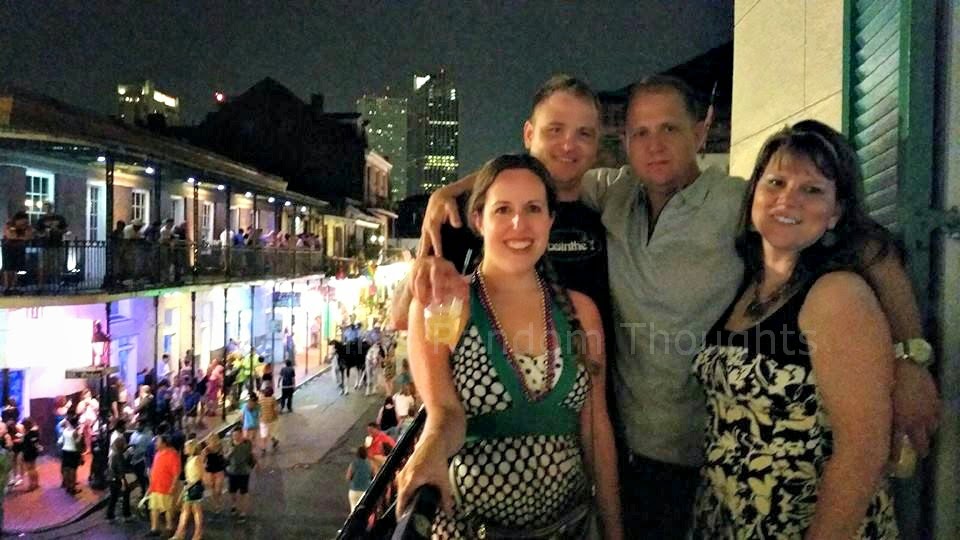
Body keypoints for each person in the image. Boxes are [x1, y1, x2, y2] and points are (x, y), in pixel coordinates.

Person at [415, 75, 940, 538]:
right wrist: (450, 193)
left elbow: (870, 247)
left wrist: (910, 356)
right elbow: (537, 178)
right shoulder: (613, 193)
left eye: (669, 128)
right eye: (640, 132)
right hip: (641, 454)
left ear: (702, 128)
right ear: (624, 142)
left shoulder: (744, 201)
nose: (655, 145)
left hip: (704, 450)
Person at [396, 154, 623, 539]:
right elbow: (445, 412)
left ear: (550, 219)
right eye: (503, 209)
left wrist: (613, 530)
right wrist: (429, 448)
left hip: (571, 529)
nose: (519, 224)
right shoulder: (445, 304)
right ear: (478, 220)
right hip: (470, 531)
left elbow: (595, 429)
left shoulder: (580, 312)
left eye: (533, 208)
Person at [692, 121, 899, 537]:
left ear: (836, 213)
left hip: (803, 524)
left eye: (812, 190)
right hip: (728, 517)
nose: (787, 199)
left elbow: (863, 451)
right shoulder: (748, 285)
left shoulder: (837, 295)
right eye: (776, 182)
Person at [148, 434, 181, 536]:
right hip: (155, 487)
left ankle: (169, 528)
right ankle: (154, 529)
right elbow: (154, 469)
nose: (155, 443)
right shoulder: (158, 454)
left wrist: (173, 486)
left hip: (165, 487)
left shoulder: (172, 455)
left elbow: (176, 473)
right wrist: (150, 485)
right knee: (154, 508)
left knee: (168, 508)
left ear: (164, 443)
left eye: (157, 441)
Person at [172, 439, 205, 540]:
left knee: (196, 512)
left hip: (195, 487)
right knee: (185, 511)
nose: (184, 449)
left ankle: (197, 534)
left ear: (191, 448)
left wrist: (189, 485)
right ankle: (180, 533)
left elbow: (199, 475)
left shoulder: (197, 459)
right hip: (189, 486)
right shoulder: (189, 458)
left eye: (186, 447)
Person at [226, 427, 256, 521]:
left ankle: (243, 512)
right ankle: (234, 505)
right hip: (232, 472)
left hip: (244, 472)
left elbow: (251, 455)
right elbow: (225, 458)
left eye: (237, 435)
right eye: (234, 435)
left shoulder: (247, 444)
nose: (235, 437)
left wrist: (254, 465)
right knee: (232, 492)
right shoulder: (230, 444)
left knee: (244, 492)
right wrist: (230, 452)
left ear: (241, 434)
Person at [2, 211, 34, 293]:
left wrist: (18, 237)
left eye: (25, 222)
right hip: (8, 248)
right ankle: (7, 287)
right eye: (22, 222)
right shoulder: (10, 224)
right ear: (17, 220)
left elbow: (29, 236)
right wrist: (22, 237)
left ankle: (14, 286)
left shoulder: (27, 226)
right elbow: (10, 235)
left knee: (18, 268)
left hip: (20, 248)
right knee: (8, 268)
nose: (24, 224)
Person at [106, 437, 132, 522]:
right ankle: (126, 515)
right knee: (126, 494)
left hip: (111, 478)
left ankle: (110, 515)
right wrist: (123, 483)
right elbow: (121, 470)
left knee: (113, 497)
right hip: (117, 479)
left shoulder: (113, 453)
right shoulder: (118, 456)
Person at [203, 432, 227, 512]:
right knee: (212, 488)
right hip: (210, 471)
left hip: (219, 470)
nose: (213, 441)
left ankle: (218, 499)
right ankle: (216, 504)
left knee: (218, 489)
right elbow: (202, 461)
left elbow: (224, 456)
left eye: (214, 439)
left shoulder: (220, 447)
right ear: (208, 441)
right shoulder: (206, 450)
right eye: (211, 440)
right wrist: (204, 466)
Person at [58, 415, 82, 494]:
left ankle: (67, 486)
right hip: (73, 452)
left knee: (66, 469)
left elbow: (61, 441)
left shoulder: (65, 430)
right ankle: (72, 488)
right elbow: (77, 443)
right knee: (72, 470)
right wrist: (80, 436)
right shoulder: (74, 432)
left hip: (65, 451)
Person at [345, 445, 373, 511]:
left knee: (354, 510)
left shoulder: (353, 463)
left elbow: (348, 477)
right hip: (366, 490)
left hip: (354, 490)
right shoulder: (370, 464)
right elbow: (373, 476)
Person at [19, 418, 41, 491]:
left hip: (28, 452)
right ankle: (36, 483)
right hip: (33, 452)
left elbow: (25, 444)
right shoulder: (35, 432)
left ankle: (31, 485)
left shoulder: (28, 434)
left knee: (29, 469)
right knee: (33, 467)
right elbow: (36, 442)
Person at [258, 386, 280, 453]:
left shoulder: (261, 399)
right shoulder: (273, 399)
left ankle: (263, 447)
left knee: (264, 433)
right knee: (269, 432)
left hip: (263, 419)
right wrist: (277, 416)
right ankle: (274, 441)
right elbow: (276, 409)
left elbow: (259, 408)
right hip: (271, 419)